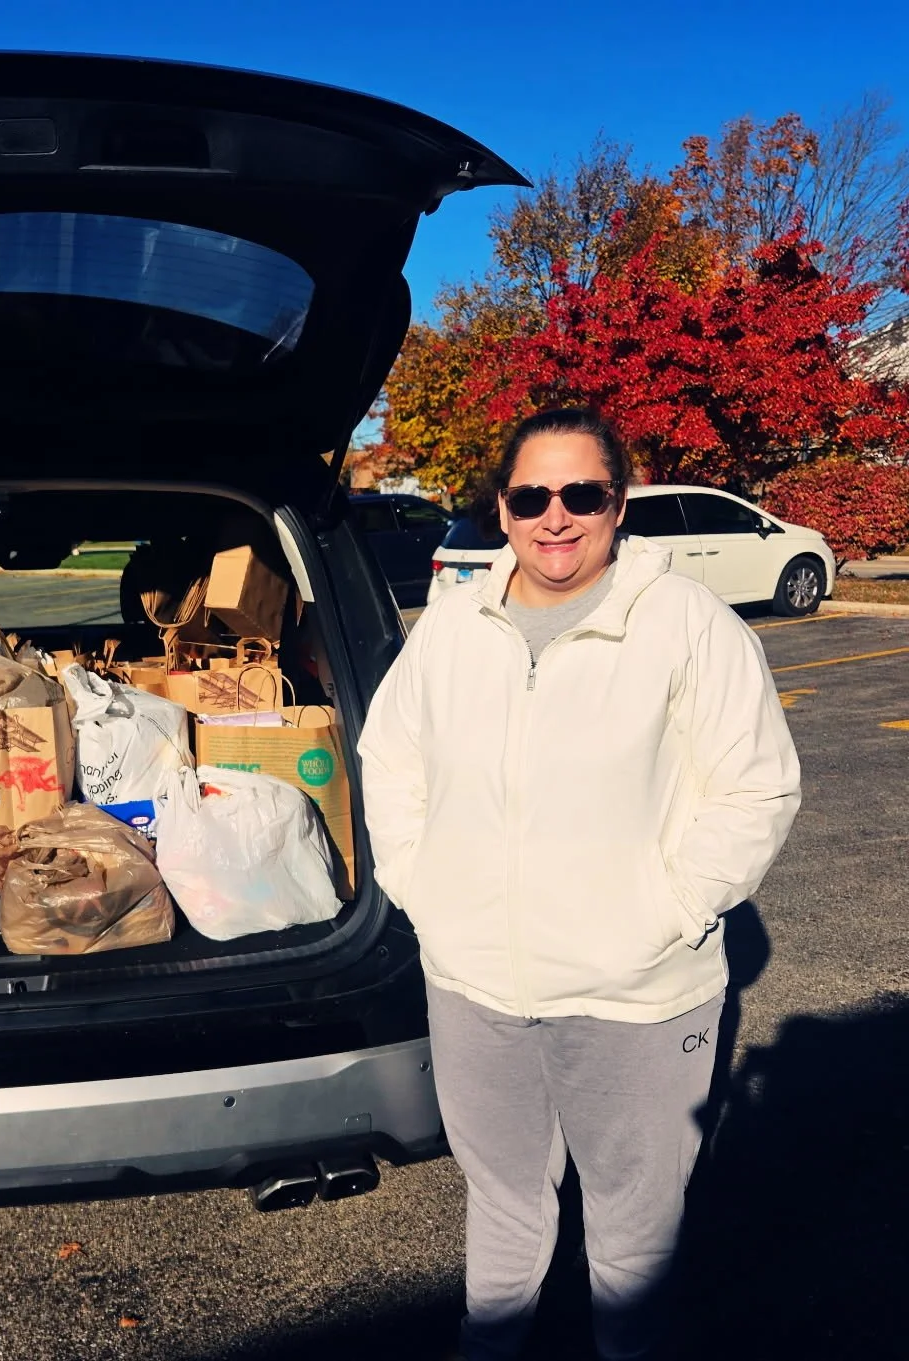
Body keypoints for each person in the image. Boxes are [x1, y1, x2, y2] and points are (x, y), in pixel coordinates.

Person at [358, 407, 801, 1360]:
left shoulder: (687, 624)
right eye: (530, 497)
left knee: (634, 1223)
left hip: (633, 997)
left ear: (618, 502)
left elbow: (756, 788)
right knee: (502, 1199)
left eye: (582, 494)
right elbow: (390, 761)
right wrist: (421, 887)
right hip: (475, 985)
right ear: (503, 509)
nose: (554, 517)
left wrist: (666, 910)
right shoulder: (454, 626)